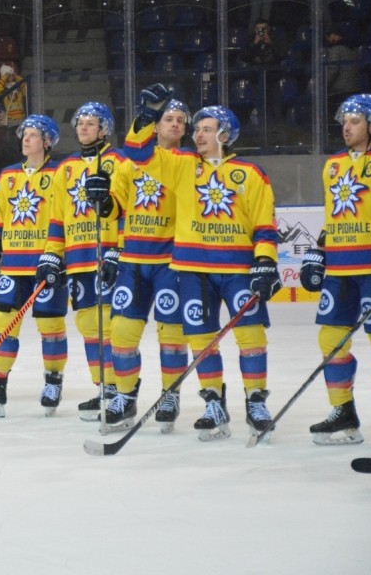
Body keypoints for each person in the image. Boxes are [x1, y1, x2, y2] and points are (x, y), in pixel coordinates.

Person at [121, 100, 280, 441]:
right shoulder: (182, 165)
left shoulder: (250, 173)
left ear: (225, 134)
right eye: (197, 129)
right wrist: (146, 117)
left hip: (238, 269)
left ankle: (256, 402)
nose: (198, 135)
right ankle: (213, 403)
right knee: (201, 340)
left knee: (251, 336)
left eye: (206, 129)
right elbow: (136, 152)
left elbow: (265, 224)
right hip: (193, 270)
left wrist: (266, 261)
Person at [0, 115, 71, 417]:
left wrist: (60, 256)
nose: (26, 139)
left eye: (33, 135)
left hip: (46, 263)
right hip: (13, 265)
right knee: (2, 325)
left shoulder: (60, 173)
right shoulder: (8, 175)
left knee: (50, 327)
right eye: (25, 134)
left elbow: (64, 217)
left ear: (47, 141)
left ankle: (53, 382)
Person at [301, 93, 371, 445]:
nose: (346, 128)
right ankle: (343, 412)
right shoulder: (334, 164)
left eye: (354, 121)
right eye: (344, 122)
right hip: (340, 270)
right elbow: (333, 215)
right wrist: (318, 251)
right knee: (330, 339)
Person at [103, 88, 192, 432]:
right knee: (122, 332)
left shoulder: (190, 164)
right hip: (133, 261)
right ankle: (125, 395)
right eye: (168, 118)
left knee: (172, 334)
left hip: (173, 262)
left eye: (180, 120)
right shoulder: (130, 165)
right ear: (155, 125)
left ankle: (170, 395)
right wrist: (101, 199)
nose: (174, 124)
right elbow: (114, 208)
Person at [36, 103, 124, 420]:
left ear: (104, 129)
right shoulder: (66, 167)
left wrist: (118, 248)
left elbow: (128, 209)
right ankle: (103, 388)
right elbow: (57, 217)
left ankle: (118, 389)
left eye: (90, 123)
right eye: (80, 123)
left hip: (107, 256)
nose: (83, 128)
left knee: (111, 325)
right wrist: (52, 253)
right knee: (88, 324)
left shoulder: (119, 162)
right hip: (78, 256)